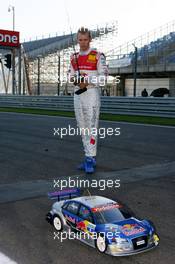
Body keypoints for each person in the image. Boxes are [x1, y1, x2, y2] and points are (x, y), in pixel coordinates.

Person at [69, 27, 108, 173]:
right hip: (78, 94)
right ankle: (87, 156)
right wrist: (76, 80)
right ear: (77, 40)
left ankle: (91, 158)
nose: (83, 43)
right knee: (82, 127)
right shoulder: (73, 57)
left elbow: (103, 78)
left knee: (92, 127)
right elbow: (70, 76)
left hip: (91, 93)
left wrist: (87, 80)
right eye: (80, 40)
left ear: (90, 39)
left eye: (85, 39)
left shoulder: (98, 55)